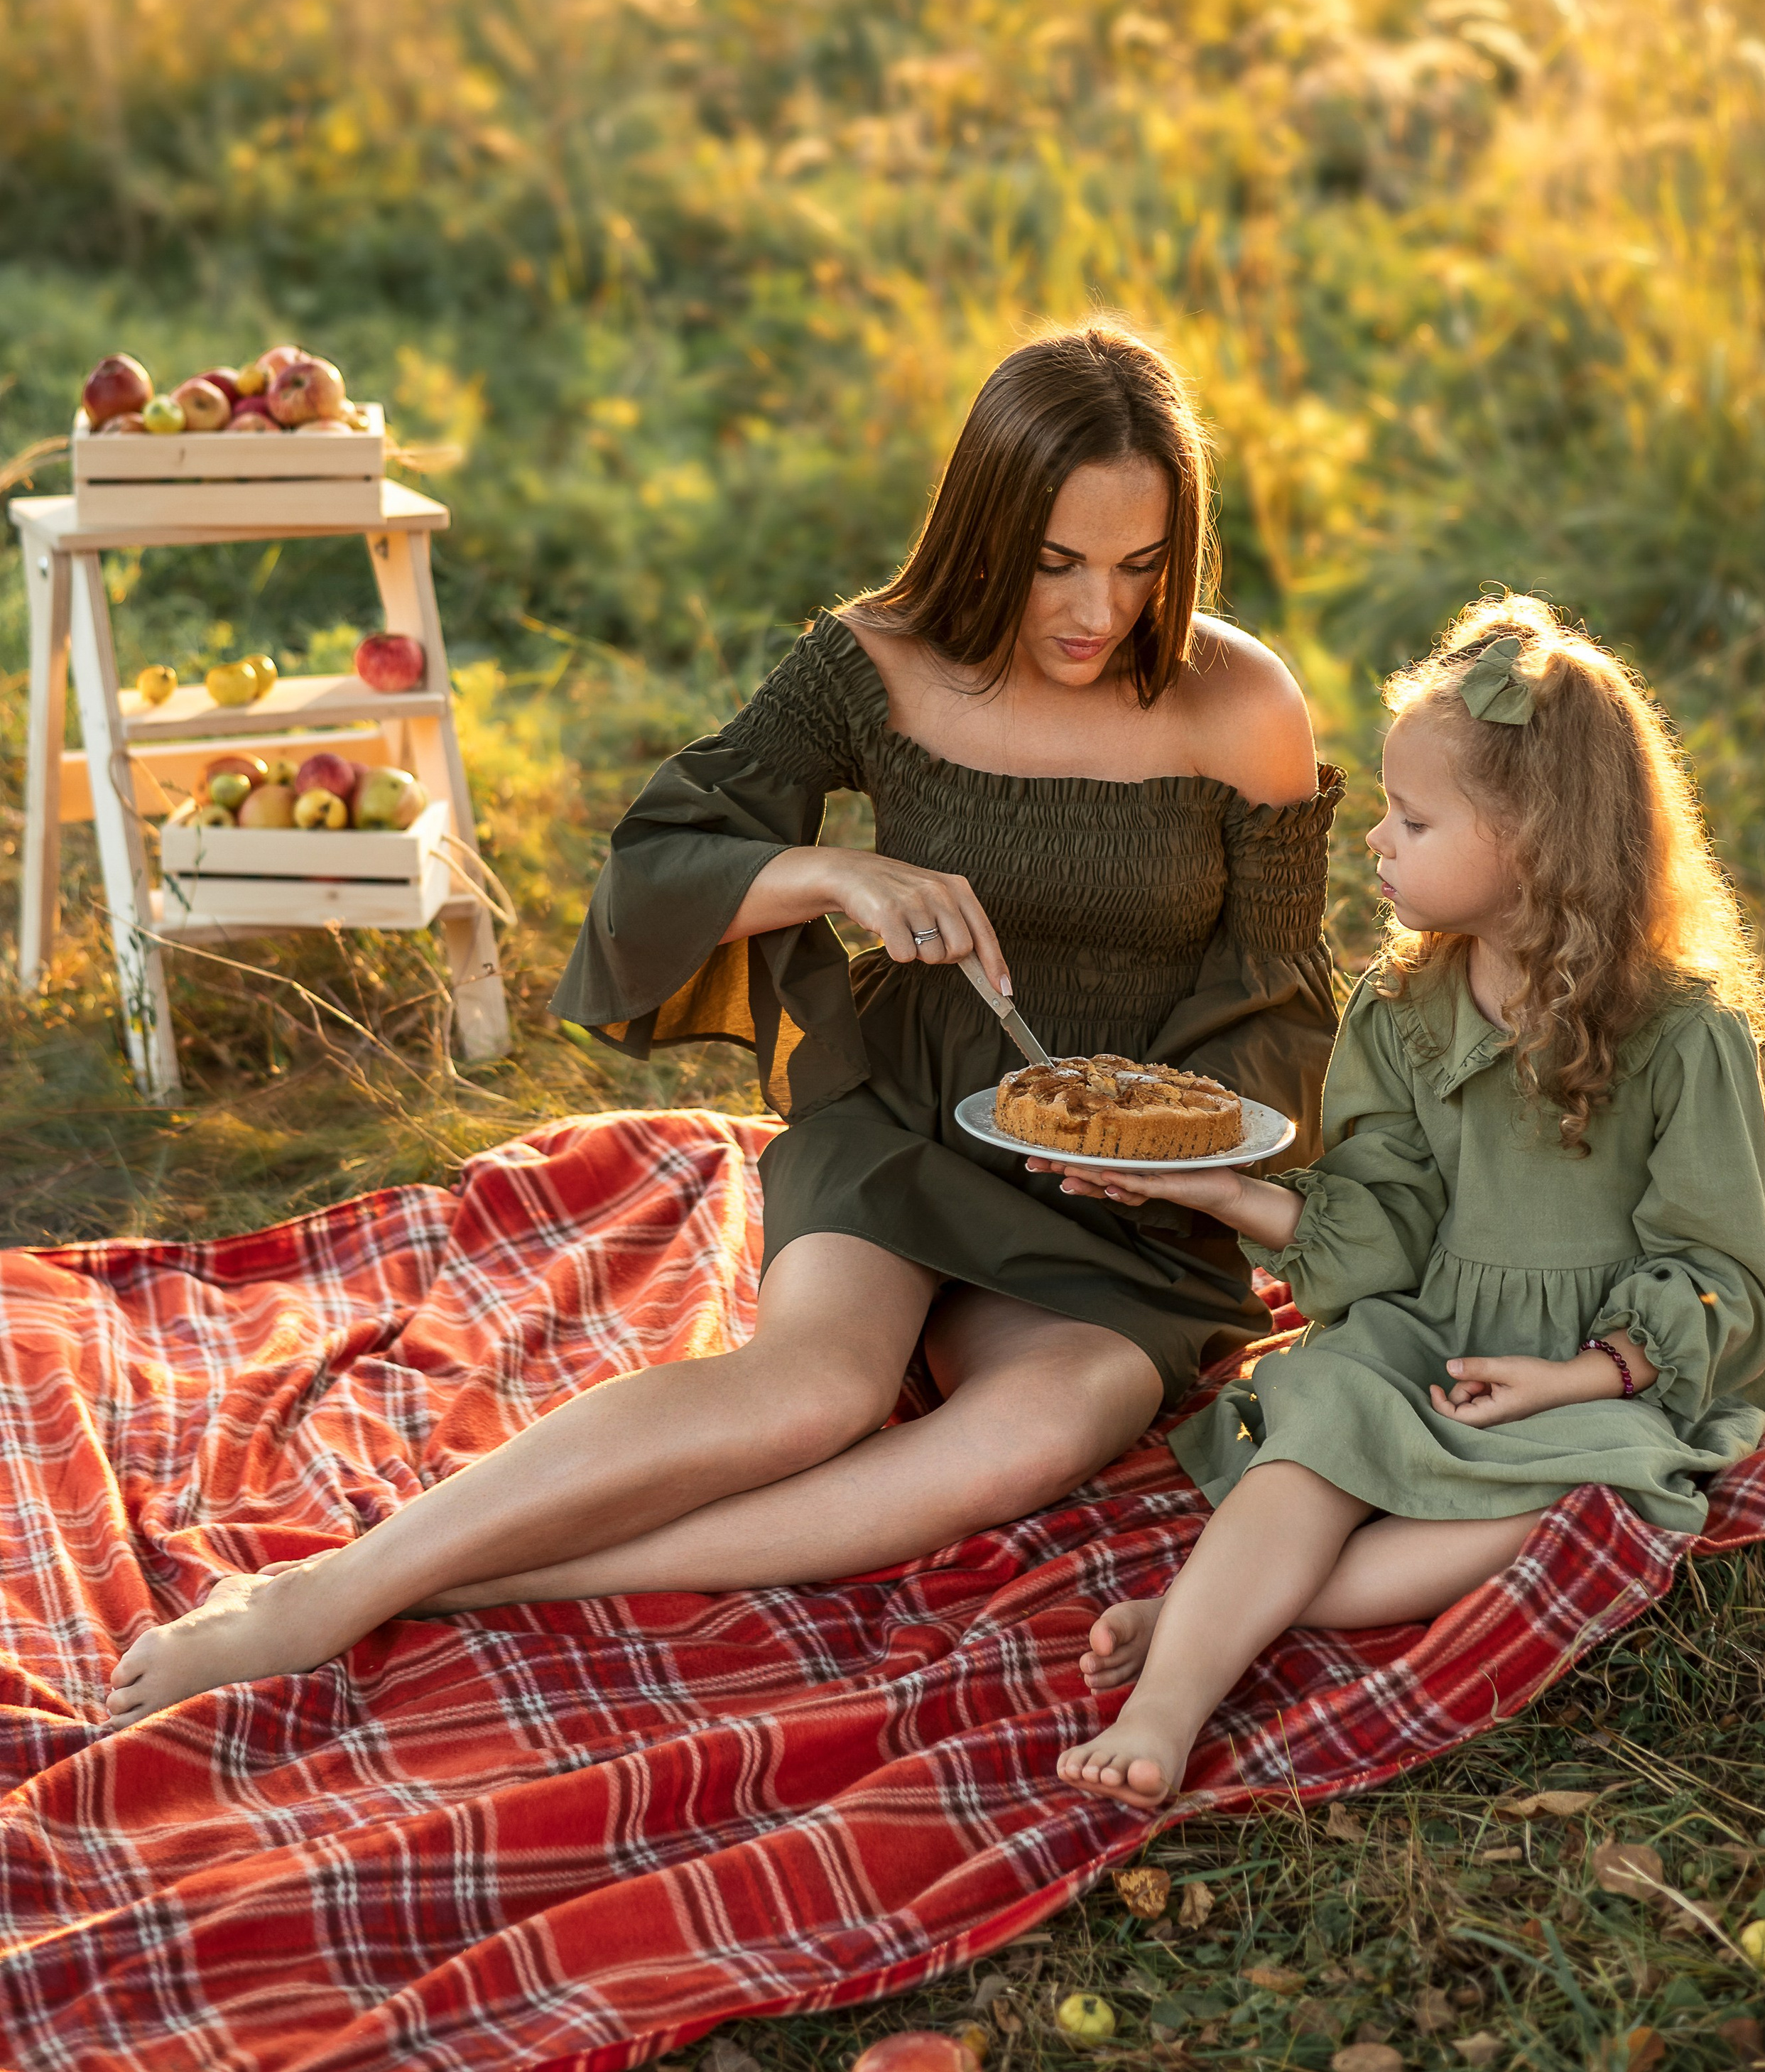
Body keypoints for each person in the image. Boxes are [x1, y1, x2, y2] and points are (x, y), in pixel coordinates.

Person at [106, 320, 1343, 1723]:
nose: (1095, 610)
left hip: (1129, 1204)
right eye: (1056, 561)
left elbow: (1277, 989)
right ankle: (325, 1588)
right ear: (985, 527)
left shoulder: (1237, 702)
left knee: (1035, 1435)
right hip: (903, 1123)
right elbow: (655, 861)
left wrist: (1182, 1150)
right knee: (805, 1396)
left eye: (1138, 566)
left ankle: (471, 1580)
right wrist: (823, 870)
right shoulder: (874, 664)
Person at [1045, 593, 1765, 1803]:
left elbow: (1716, 1269)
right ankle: (1168, 1706)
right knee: (1324, 1422)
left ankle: (1207, 1611)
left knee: (1568, 1497)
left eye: (1414, 818)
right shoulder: (1398, 1011)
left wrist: (1580, 1376)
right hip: (1434, 1326)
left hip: (1603, 1367)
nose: (1376, 841)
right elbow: (1381, 1224)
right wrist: (1224, 1189)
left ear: (1539, 845)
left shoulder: (1683, 1034)